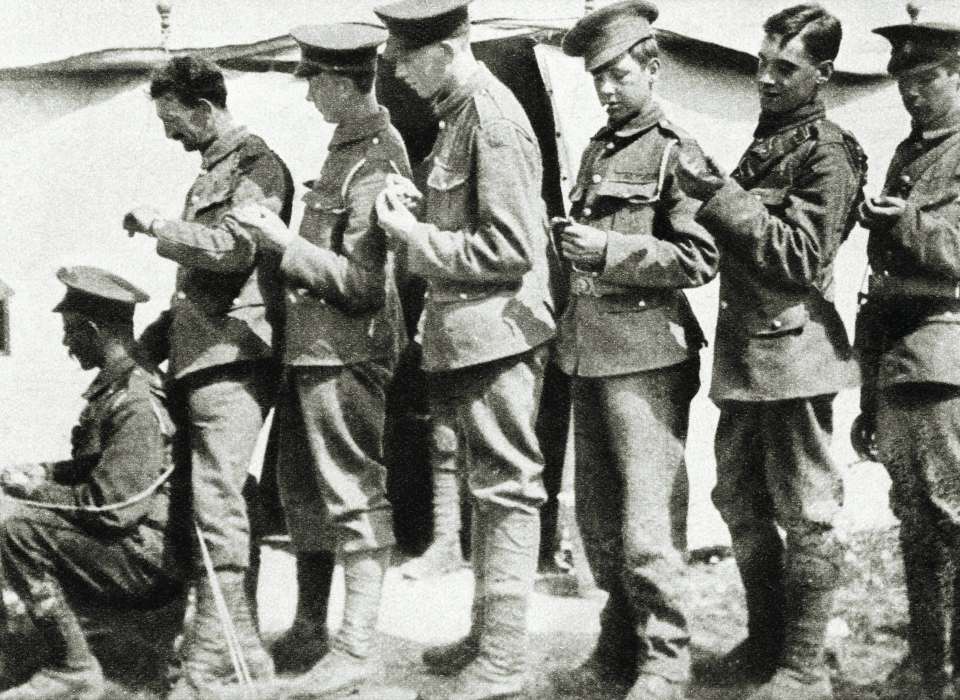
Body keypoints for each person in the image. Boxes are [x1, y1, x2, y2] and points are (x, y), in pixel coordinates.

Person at [675, 4, 866, 698]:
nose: (764, 78)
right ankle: (766, 643)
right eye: (761, 63)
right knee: (740, 502)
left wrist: (720, 194)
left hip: (795, 360)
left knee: (808, 514)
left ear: (823, 73)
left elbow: (802, 257)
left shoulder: (828, 152)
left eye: (784, 68)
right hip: (749, 361)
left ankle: (803, 667)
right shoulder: (769, 139)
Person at [373, 0, 557, 696]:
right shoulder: (458, 117)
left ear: (445, 53)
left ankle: (505, 660)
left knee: (507, 492)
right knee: (486, 492)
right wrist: (415, 208)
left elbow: (509, 249)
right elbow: (470, 220)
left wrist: (412, 240)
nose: (394, 67)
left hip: (499, 337)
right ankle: (488, 637)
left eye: (405, 56)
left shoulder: (493, 121)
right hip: (469, 337)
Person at [228, 22, 410, 695]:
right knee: (303, 493)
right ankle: (311, 628)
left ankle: (357, 647)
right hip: (312, 355)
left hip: (346, 354)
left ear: (340, 81)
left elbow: (364, 285)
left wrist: (279, 243)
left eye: (313, 81)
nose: (307, 94)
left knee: (354, 494)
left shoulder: (377, 162)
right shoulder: (345, 153)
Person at [550, 2, 719, 697]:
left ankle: (667, 661)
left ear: (653, 67)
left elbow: (700, 256)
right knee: (598, 519)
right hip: (589, 351)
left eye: (619, 75)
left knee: (650, 526)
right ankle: (618, 645)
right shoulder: (597, 147)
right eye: (597, 79)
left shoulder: (676, 148)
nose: (606, 90)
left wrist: (611, 249)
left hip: (648, 356)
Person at [122, 55, 294, 695]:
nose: (170, 133)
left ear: (203, 108)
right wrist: (154, 341)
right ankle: (243, 649)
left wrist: (159, 229)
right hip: (205, 356)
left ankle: (207, 660)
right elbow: (199, 285)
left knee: (216, 506)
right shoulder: (215, 170)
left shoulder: (256, 165)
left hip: (234, 359)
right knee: (215, 503)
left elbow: (236, 250)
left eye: (173, 119)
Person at [0, 266, 186, 700]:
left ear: (93, 328)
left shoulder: (134, 400)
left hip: (149, 557)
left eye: (70, 332)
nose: (66, 344)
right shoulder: (117, 390)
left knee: (17, 530)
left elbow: (113, 507)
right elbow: (96, 467)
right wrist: (46, 472)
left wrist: (34, 492)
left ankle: (73, 667)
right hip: (140, 543)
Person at [854, 18, 960, 700]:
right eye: (904, 84)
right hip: (898, 355)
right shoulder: (906, 153)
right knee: (915, 521)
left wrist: (904, 223)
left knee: (952, 517)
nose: (913, 96)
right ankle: (929, 665)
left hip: (946, 354)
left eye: (928, 81)